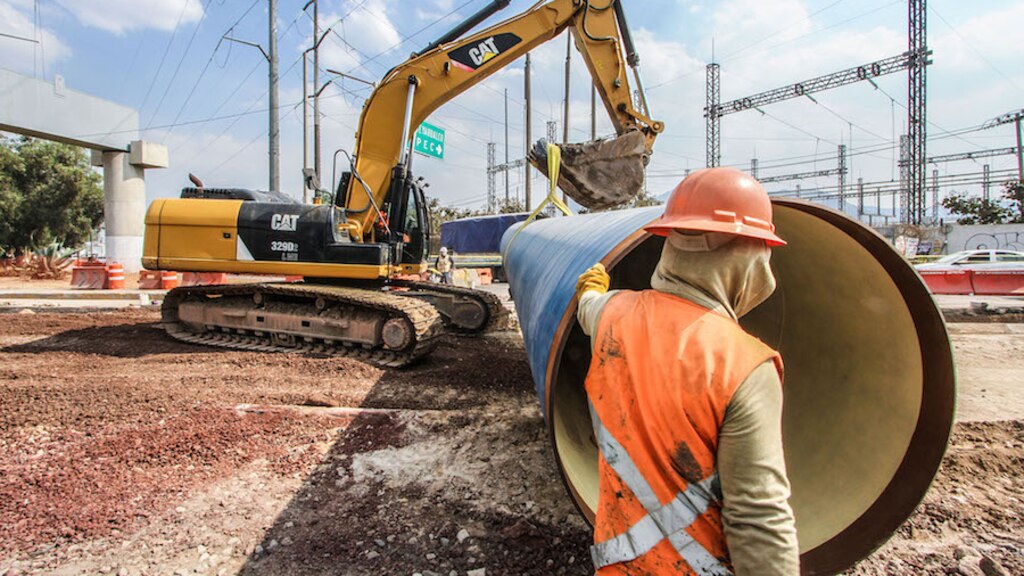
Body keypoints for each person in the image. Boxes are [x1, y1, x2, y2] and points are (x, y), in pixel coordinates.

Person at [575, 167, 799, 575]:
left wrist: (590, 289)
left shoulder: (612, 313)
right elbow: (759, 517)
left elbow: (589, 308)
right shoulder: (746, 366)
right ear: (747, 258)